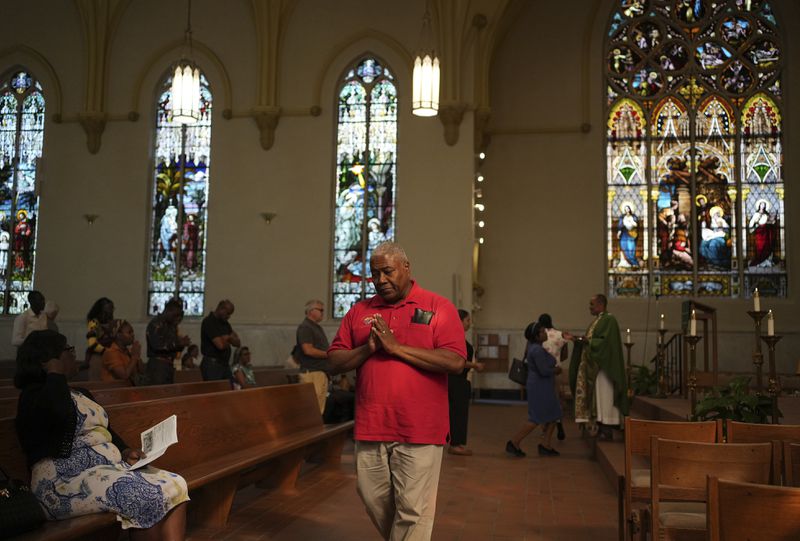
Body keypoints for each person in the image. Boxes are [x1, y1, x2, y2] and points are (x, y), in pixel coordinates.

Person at [328, 242, 466, 541]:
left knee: (413, 510)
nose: (380, 280)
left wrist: (397, 347)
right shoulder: (360, 311)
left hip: (420, 427)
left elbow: (455, 361)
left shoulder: (437, 306)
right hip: (371, 424)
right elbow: (335, 360)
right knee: (371, 496)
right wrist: (368, 349)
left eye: (387, 272)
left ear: (406, 268)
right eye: (374, 274)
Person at [14, 330, 189, 540]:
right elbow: (57, 413)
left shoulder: (80, 393)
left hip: (107, 469)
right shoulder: (33, 396)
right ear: (48, 361)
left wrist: (124, 450)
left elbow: (106, 430)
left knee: (176, 484)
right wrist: (55, 374)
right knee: (145, 497)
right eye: (67, 350)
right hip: (62, 482)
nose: (73, 353)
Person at [569, 294, 630, 441]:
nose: (589, 307)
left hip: (605, 368)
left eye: (592, 304)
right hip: (596, 367)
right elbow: (595, 340)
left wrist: (588, 341)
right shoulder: (598, 321)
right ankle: (602, 426)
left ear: (601, 304)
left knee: (606, 397)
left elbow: (605, 343)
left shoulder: (609, 320)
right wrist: (581, 340)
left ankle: (607, 428)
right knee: (600, 397)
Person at [506, 322, 563, 458]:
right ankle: (514, 442)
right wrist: (556, 370)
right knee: (536, 418)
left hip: (543, 386)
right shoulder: (536, 350)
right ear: (537, 336)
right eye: (543, 332)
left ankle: (545, 445)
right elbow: (544, 370)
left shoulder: (536, 347)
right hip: (540, 387)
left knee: (555, 414)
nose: (546, 334)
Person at [447, 309, 485, 456]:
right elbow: (457, 361)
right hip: (456, 381)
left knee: (458, 413)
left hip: (459, 380)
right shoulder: (454, 339)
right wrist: (475, 365)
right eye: (467, 320)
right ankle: (455, 444)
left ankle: (457, 443)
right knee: (458, 413)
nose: (470, 323)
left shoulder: (457, 338)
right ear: (459, 321)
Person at [537, 313, 573, 441]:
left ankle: (545, 429)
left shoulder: (539, 335)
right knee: (556, 401)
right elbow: (565, 355)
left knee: (542, 402)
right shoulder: (560, 335)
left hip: (541, 373)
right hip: (556, 372)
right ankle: (559, 424)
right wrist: (556, 361)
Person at [295, 299, 331, 413]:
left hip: (319, 373)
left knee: (319, 410)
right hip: (312, 373)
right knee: (311, 411)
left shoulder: (315, 327)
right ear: (311, 311)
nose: (322, 313)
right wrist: (329, 354)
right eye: (320, 310)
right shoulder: (305, 327)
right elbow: (308, 350)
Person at [146, 298, 190, 385]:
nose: (177, 318)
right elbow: (157, 345)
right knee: (158, 393)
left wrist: (182, 344)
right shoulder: (156, 323)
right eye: (175, 315)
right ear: (168, 311)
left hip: (168, 364)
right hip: (158, 365)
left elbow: (173, 346)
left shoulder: (171, 326)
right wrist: (178, 343)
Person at [200, 299, 240, 381]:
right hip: (212, 365)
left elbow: (238, 343)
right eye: (228, 313)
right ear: (221, 309)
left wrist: (227, 338)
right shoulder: (209, 322)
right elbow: (220, 345)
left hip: (224, 364)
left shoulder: (225, 324)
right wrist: (230, 339)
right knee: (215, 391)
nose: (229, 316)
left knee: (229, 389)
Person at [101, 319, 145, 385]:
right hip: (112, 391)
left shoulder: (128, 351)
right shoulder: (110, 352)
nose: (133, 335)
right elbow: (124, 376)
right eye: (129, 332)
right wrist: (134, 356)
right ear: (118, 335)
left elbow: (142, 371)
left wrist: (137, 356)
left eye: (132, 332)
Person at [85, 297, 115, 381]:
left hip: (109, 357)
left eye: (112, 308)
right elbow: (92, 344)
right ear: (102, 309)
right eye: (109, 308)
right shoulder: (93, 323)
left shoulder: (111, 322)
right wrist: (107, 352)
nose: (111, 311)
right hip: (98, 357)